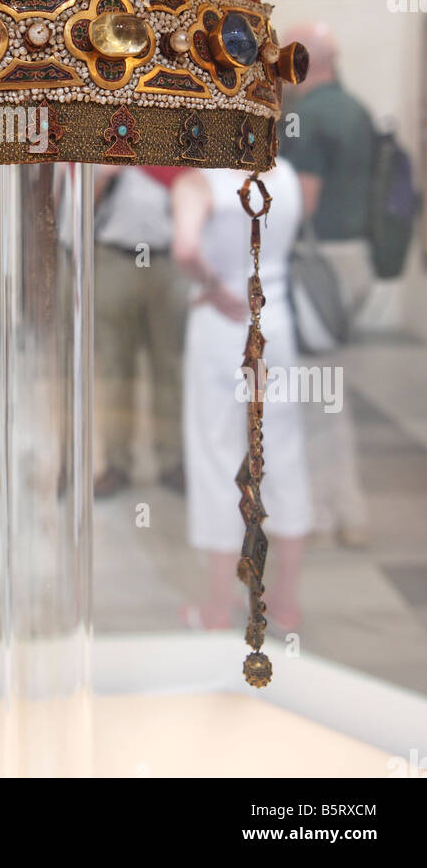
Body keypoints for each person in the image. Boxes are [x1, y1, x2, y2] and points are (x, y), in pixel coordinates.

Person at [171, 159, 311, 630]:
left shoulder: (199, 182)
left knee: (217, 457)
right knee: (283, 457)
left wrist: (211, 286)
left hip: (221, 327)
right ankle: (285, 605)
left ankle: (216, 606)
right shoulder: (287, 176)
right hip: (277, 325)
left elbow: (185, 248)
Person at [279, 21, 373, 545]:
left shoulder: (308, 117)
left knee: (315, 391)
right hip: (352, 258)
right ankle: (346, 507)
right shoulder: (355, 108)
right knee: (329, 387)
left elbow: (304, 202)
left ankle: (322, 508)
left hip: (320, 265)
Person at [92, 166, 189, 497]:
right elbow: (76, 206)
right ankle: (117, 463)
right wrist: (106, 176)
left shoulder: (180, 131)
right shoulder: (107, 133)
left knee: (170, 366)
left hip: (168, 260)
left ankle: (173, 462)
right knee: (115, 367)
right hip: (116, 258)